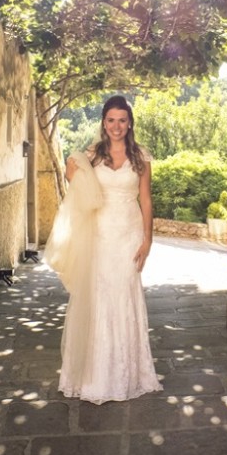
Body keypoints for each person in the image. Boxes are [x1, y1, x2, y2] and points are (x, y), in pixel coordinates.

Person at [45, 94, 162, 403]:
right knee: (98, 297)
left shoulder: (141, 157)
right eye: (111, 120)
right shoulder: (92, 155)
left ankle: (126, 374)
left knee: (123, 294)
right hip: (98, 234)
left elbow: (146, 200)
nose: (116, 126)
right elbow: (77, 186)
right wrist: (72, 174)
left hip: (128, 234)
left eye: (122, 120)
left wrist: (147, 240)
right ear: (103, 123)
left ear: (130, 123)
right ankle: (93, 377)